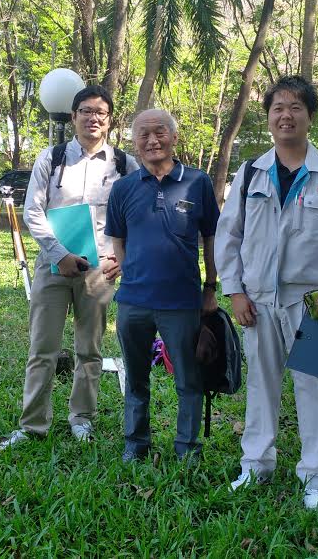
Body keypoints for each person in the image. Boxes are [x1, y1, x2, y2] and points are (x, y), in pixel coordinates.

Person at [215, 76, 318, 508]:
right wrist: (235, 291)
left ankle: (315, 475)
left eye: (296, 107)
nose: (286, 115)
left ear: (310, 117)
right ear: (268, 118)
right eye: (278, 107)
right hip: (258, 301)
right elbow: (229, 236)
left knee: (313, 388)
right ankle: (255, 465)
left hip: (316, 304)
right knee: (261, 386)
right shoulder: (251, 172)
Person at [0, 85, 138, 449]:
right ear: (74, 116)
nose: (93, 118)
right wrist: (59, 254)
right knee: (41, 349)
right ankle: (32, 425)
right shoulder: (53, 157)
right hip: (53, 267)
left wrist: (121, 256)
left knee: (89, 350)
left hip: (99, 271)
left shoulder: (123, 164)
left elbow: (138, 215)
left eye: (101, 113)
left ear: (109, 121)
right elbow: (33, 212)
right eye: (86, 111)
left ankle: (82, 419)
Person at [105, 109, 220, 462]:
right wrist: (132, 273)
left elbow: (211, 237)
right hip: (134, 302)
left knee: (188, 379)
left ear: (173, 136)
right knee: (136, 378)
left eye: (160, 132)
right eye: (144, 134)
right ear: (134, 141)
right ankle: (135, 445)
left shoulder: (197, 182)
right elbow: (118, 240)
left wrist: (211, 286)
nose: (152, 140)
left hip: (182, 301)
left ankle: (188, 450)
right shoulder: (123, 188)